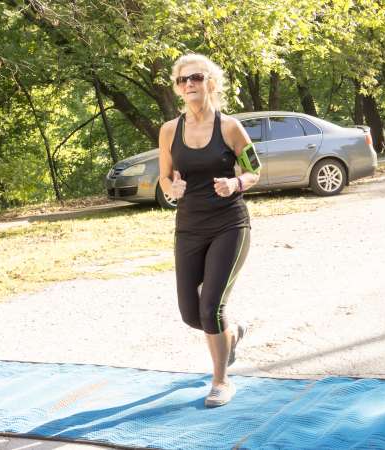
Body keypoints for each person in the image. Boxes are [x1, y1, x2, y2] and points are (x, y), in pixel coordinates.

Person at [158, 54, 260, 407]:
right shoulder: (169, 131)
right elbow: (164, 176)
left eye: (196, 78)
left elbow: (255, 171)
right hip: (188, 226)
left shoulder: (229, 127)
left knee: (211, 308)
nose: (189, 84)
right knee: (191, 313)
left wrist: (236, 183)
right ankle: (233, 333)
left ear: (210, 83)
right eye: (183, 80)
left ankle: (221, 381)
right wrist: (172, 190)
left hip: (229, 224)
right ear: (178, 88)